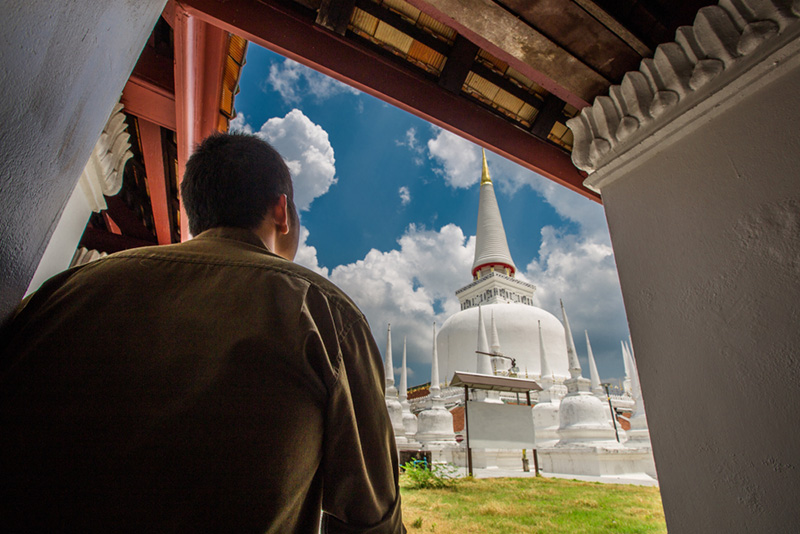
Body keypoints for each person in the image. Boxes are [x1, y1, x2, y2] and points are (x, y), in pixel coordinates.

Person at [0, 132, 405, 533]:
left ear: (195, 213)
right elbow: (372, 521)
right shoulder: (323, 312)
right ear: (281, 211)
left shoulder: (63, 291)